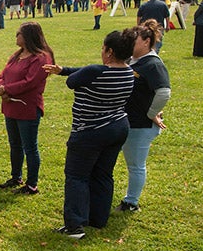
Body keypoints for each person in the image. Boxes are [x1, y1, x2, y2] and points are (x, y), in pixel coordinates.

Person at [42, 29, 136, 239]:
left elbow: (73, 81)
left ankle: (74, 225)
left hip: (90, 130)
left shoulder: (96, 71)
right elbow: (87, 72)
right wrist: (63, 69)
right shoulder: (129, 72)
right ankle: (98, 218)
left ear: (109, 52)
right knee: (103, 173)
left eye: (103, 48)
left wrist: (65, 73)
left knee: (77, 176)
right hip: (118, 127)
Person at [117, 21, 171, 212]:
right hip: (127, 120)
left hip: (140, 124)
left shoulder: (153, 64)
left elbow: (164, 92)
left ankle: (131, 202)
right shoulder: (134, 60)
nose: (131, 44)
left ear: (147, 41)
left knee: (135, 165)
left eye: (135, 41)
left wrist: (151, 113)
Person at [0, 22, 54, 195]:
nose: (16, 36)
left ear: (28, 36)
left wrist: (7, 89)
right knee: (15, 144)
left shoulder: (41, 58)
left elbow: (30, 82)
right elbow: (3, 74)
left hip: (27, 107)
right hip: (10, 105)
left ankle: (32, 184)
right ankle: (16, 177)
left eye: (19, 33)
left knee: (30, 147)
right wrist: (1, 87)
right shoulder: (18, 55)